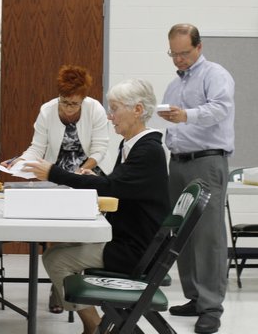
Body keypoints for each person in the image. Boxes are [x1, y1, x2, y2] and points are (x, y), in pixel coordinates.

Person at [24, 78, 170, 334]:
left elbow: (112, 188)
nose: (111, 117)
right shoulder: (134, 146)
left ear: (137, 110)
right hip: (131, 239)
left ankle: (94, 326)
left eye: (115, 110)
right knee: (60, 251)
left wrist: (54, 173)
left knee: (55, 260)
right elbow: (118, 185)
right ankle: (96, 324)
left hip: (136, 250)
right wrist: (98, 181)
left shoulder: (148, 151)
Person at [1, 64, 109, 313]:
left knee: (81, 233)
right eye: (64, 102)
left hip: (88, 174)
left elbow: (100, 148)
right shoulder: (47, 110)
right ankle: (58, 287)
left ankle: (72, 284)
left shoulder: (95, 109)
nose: (68, 108)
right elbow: (37, 147)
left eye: (74, 103)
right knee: (57, 231)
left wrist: (84, 170)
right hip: (56, 175)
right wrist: (22, 160)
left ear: (83, 98)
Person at [157, 23, 234, 334]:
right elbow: (173, 120)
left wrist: (185, 116)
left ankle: (211, 306)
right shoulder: (175, 85)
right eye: (173, 54)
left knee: (208, 237)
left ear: (199, 47)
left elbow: (220, 109)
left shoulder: (215, 74)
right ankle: (194, 297)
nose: (179, 60)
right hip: (178, 163)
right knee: (182, 234)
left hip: (206, 162)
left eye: (184, 53)